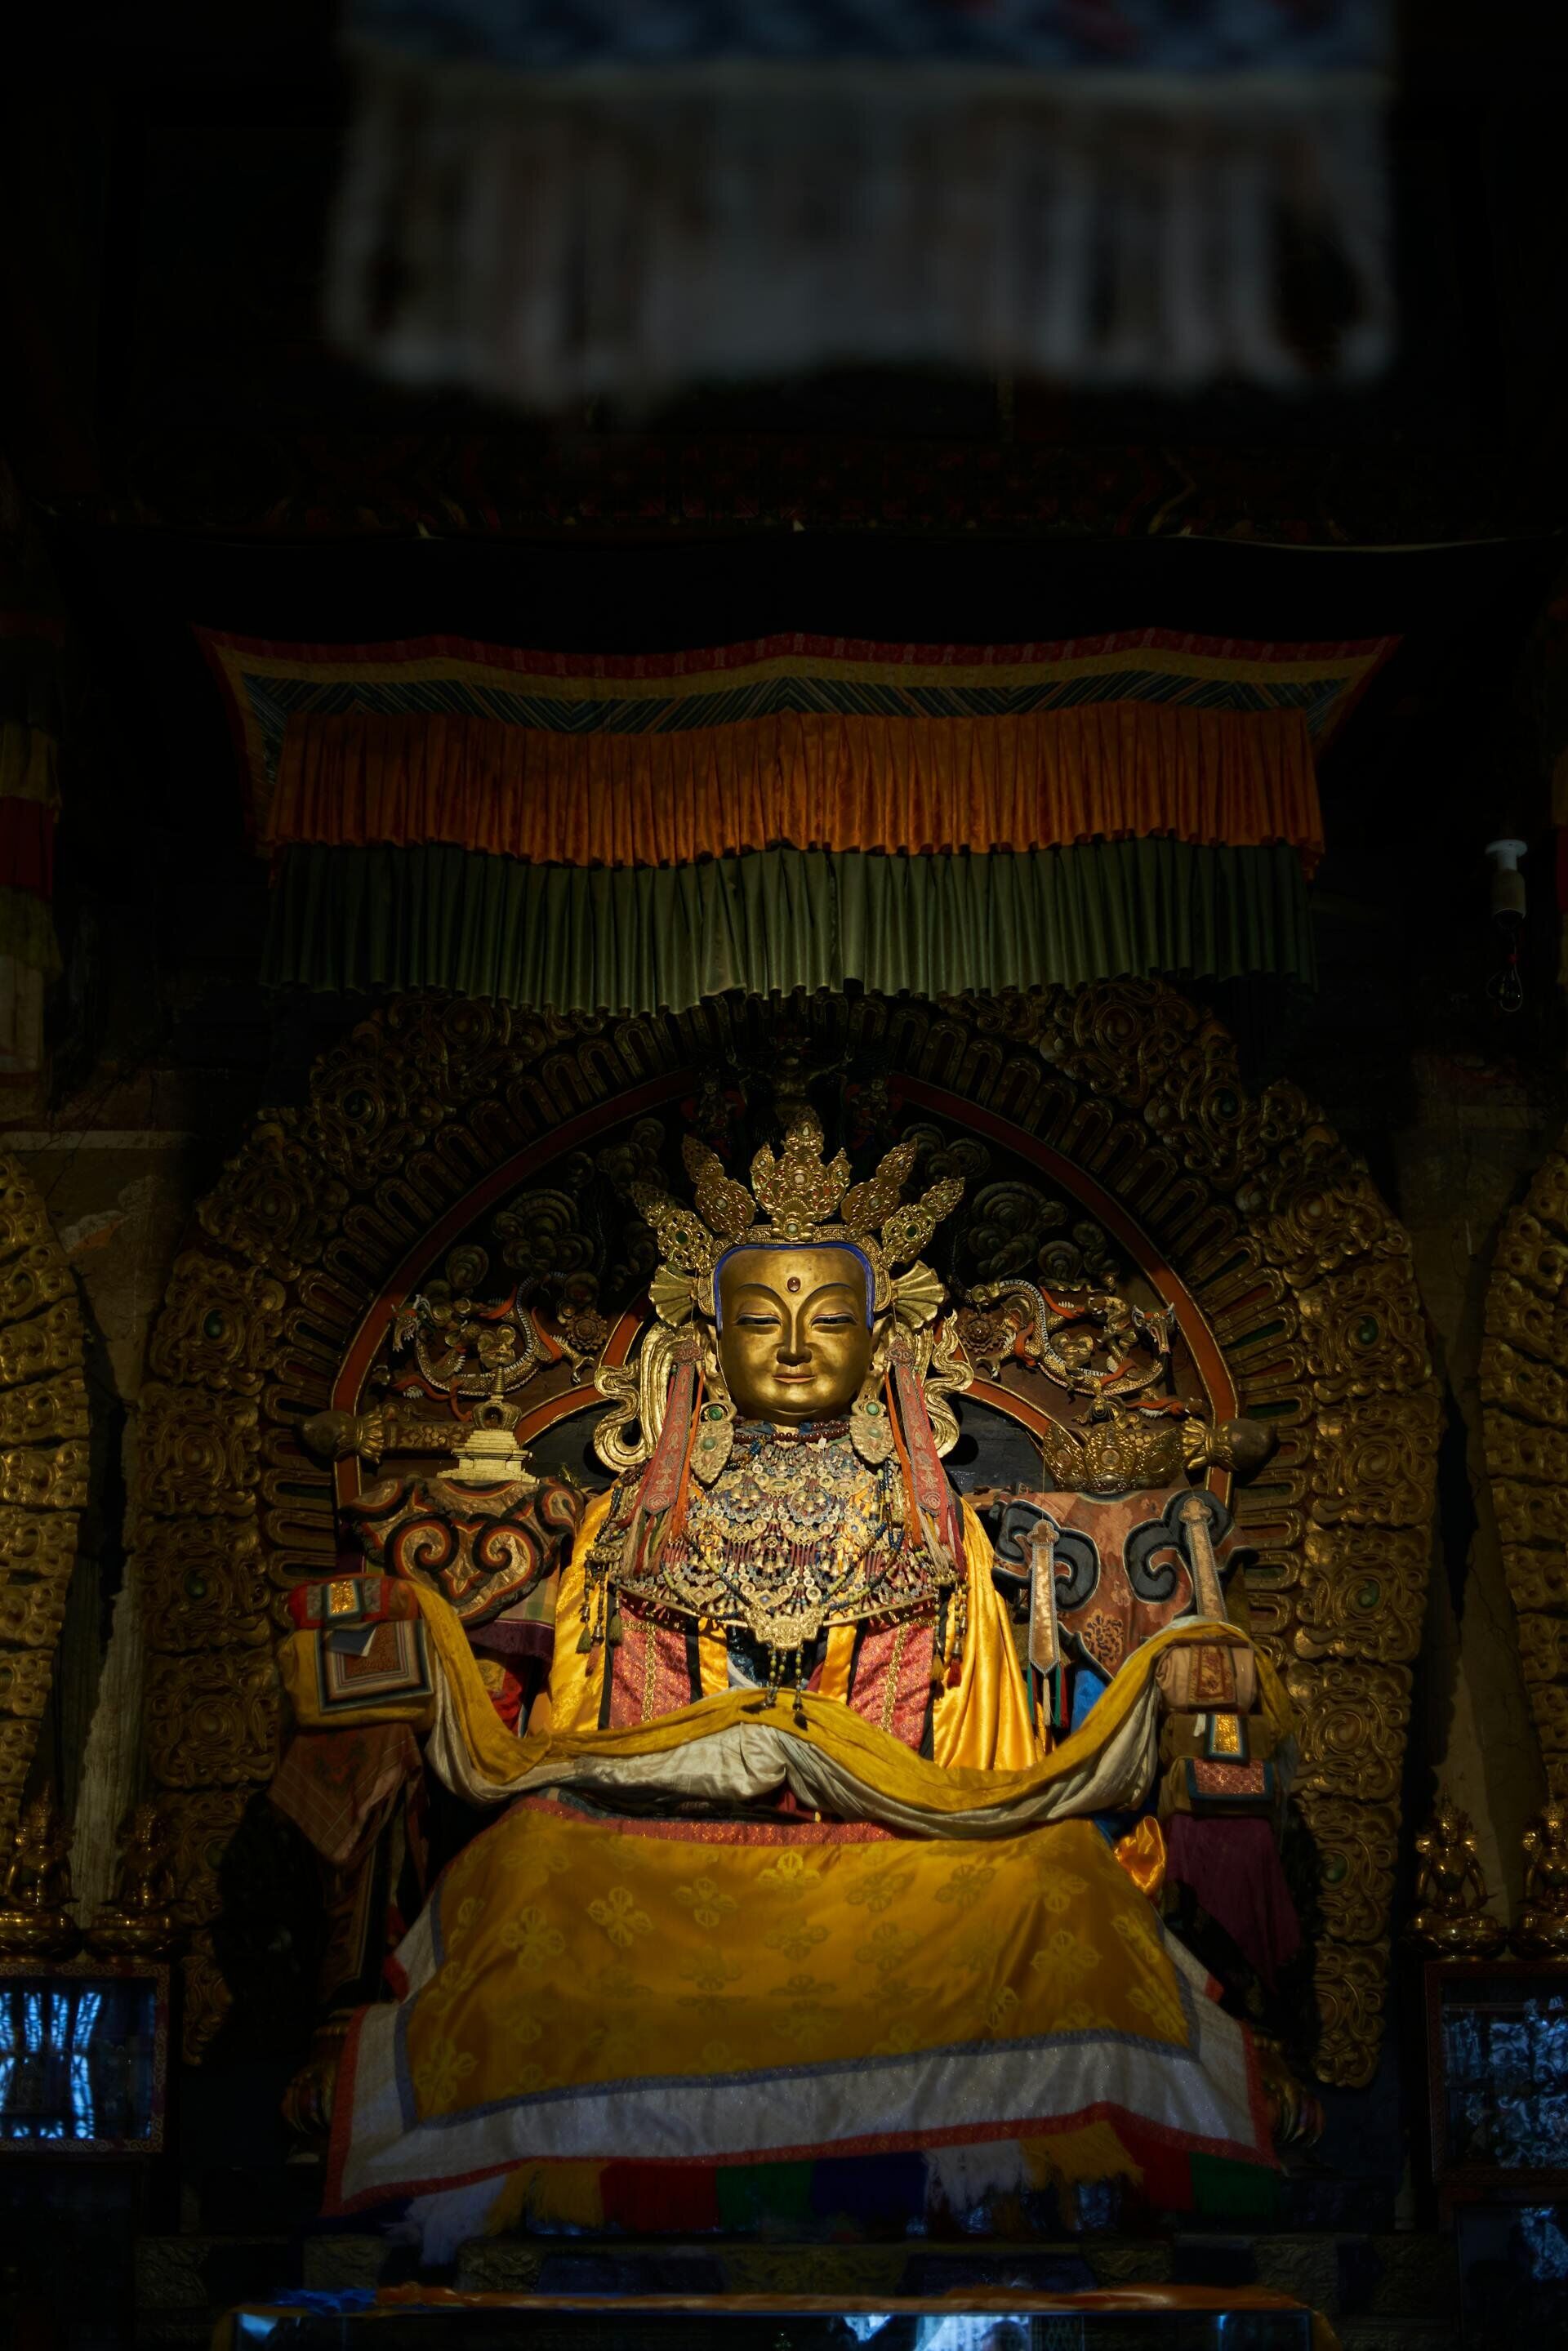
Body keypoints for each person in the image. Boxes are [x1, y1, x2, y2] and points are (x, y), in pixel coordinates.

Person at [321, 1115, 1283, 2253]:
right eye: (757, 1320)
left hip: (904, 1850)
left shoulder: (934, 1530)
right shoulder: (630, 1523)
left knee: (1060, 1880)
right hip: (658, 1858)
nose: (790, 1347)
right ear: (701, 1344)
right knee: (527, 1867)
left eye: (826, 1319)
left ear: (882, 1345)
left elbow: (985, 1757)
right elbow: (578, 1734)